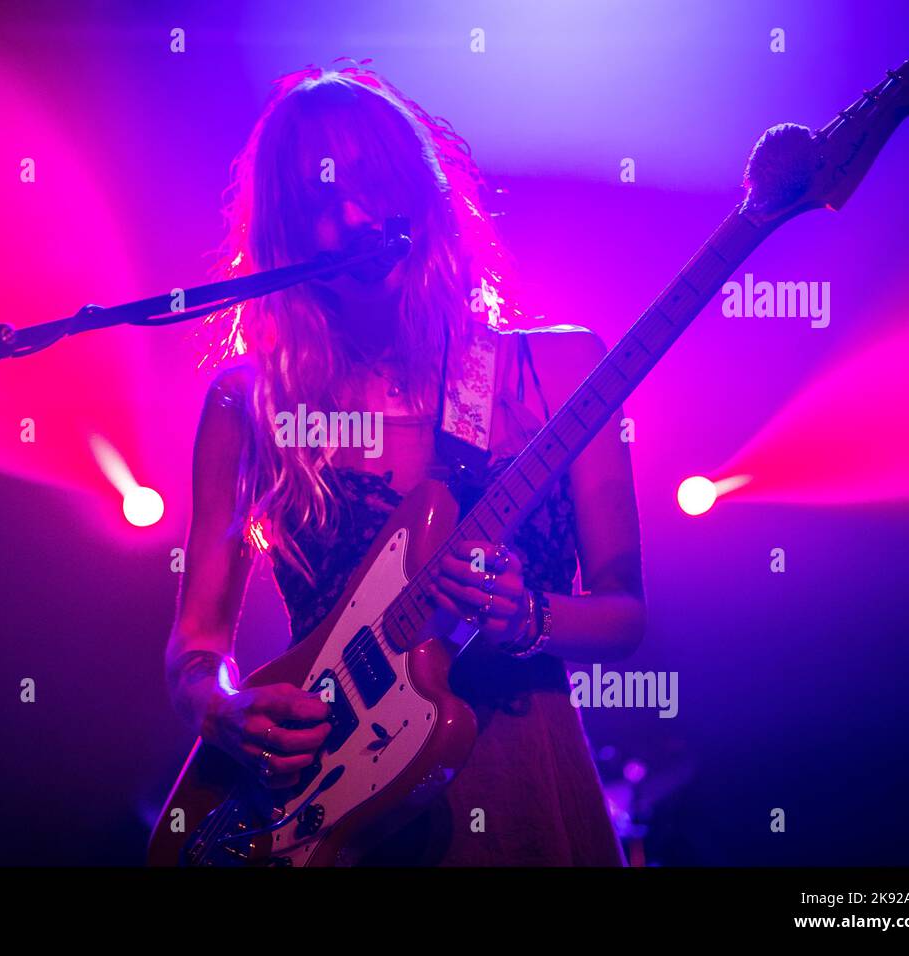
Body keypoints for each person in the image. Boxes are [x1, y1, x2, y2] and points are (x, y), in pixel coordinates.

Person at [165, 64, 644, 865]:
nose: (352, 218)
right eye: (320, 204)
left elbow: (625, 613)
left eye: (372, 186)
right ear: (284, 234)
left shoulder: (558, 371)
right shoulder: (246, 402)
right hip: (327, 803)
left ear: (422, 196)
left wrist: (531, 620)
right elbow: (196, 648)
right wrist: (224, 711)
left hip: (520, 779)